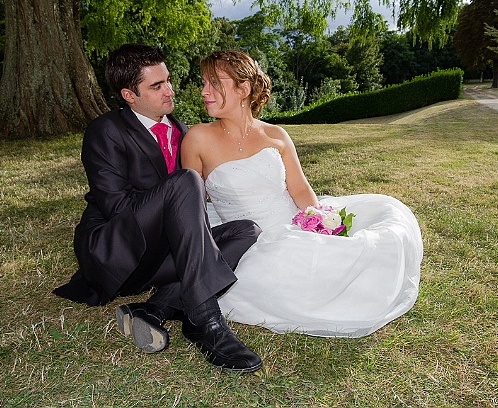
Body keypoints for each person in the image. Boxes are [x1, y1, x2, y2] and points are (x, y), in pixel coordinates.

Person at [181, 50, 423, 338]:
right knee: (293, 276)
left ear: (243, 88)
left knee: (385, 226)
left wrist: (319, 224)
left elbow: (299, 189)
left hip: (297, 223)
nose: (203, 91)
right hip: (249, 241)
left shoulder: (276, 135)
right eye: (203, 83)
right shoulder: (197, 138)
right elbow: (192, 204)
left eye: (213, 83)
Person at [52, 44, 263, 373]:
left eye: (167, 80)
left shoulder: (178, 130)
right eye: (156, 86)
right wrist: (176, 203)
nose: (170, 90)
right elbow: (117, 207)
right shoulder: (105, 131)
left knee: (245, 230)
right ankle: (207, 321)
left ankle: (155, 310)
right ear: (128, 95)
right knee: (186, 181)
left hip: (159, 258)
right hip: (116, 250)